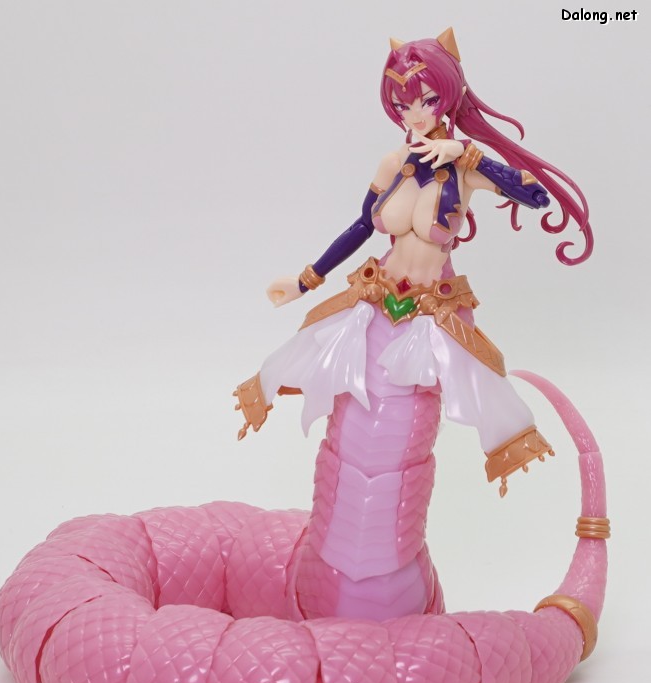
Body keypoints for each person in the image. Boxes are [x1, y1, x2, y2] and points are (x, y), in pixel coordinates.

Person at [234, 29, 594, 618]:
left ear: (448, 98)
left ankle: (396, 593)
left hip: (429, 318)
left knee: (401, 444)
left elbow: (536, 198)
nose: (415, 113)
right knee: (348, 427)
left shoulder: (462, 168)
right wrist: (305, 279)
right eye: (403, 103)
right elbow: (361, 228)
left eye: (427, 100)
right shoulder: (394, 162)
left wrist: (468, 156)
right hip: (375, 304)